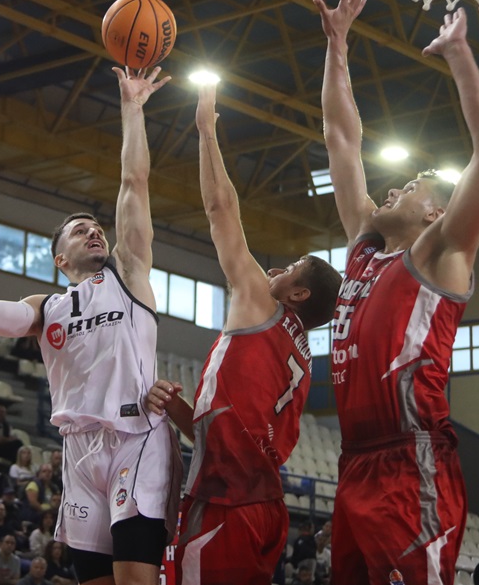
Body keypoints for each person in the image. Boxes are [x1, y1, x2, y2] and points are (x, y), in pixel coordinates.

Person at [0, 66, 176, 585]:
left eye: (96, 228)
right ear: (60, 260)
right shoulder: (49, 308)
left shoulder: (129, 277)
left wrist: (133, 109)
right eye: (79, 231)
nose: (93, 233)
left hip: (136, 438)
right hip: (78, 451)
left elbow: (134, 183)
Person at [315, 0, 479, 584]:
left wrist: (459, 54)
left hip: (411, 458)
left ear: (435, 212)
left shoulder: (441, 250)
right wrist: (337, 45)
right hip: (354, 463)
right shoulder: (364, 250)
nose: (394, 187)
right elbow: (343, 140)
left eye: (413, 184)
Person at [145, 83, 341, 584]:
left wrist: (206, 131)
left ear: (298, 295)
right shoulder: (300, 354)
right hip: (258, 502)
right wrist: (179, 409)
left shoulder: (260, 305)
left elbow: (220, 210)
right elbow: (234, 431)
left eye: (293, 267)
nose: (276, 268)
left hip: (229, 502)